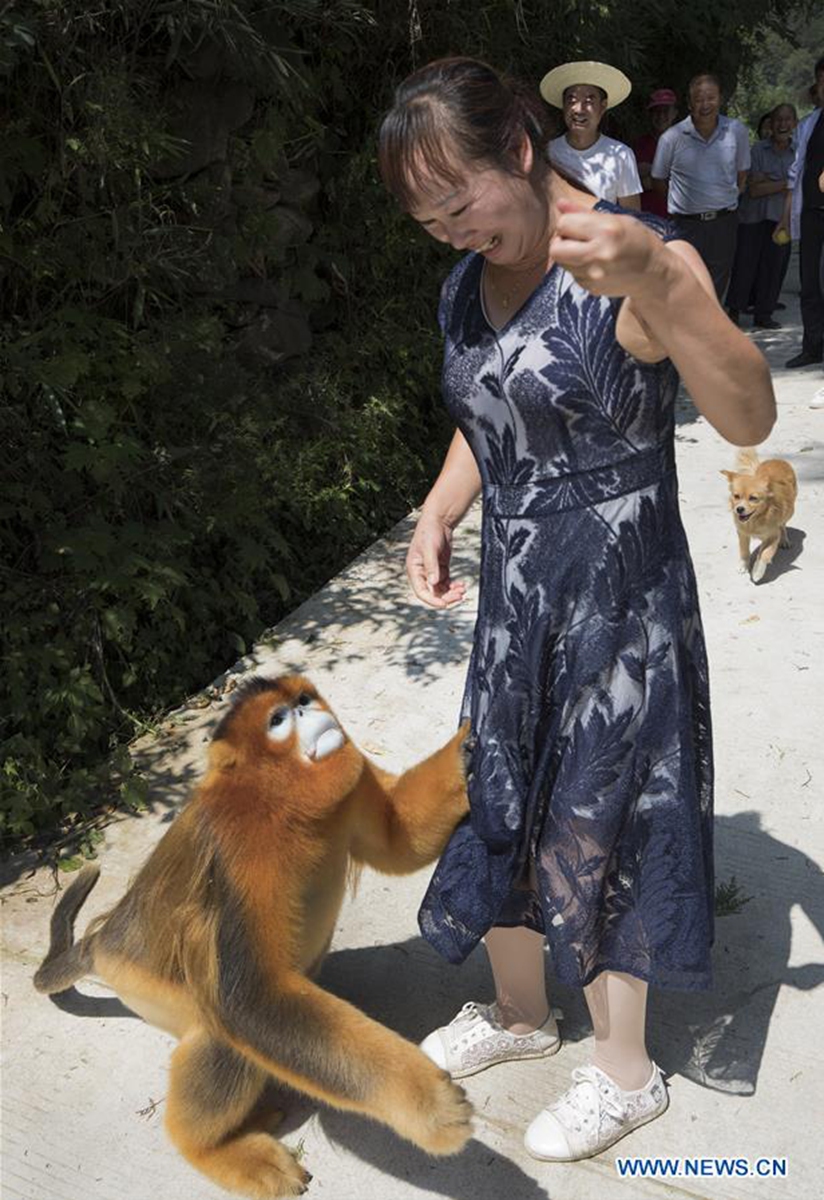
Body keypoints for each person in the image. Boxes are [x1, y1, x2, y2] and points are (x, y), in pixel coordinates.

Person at [378, 57, 774, 1163]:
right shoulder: (467, 282)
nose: (449, 233)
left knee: (604, 816)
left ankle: (623, 1074)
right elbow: (491, 400)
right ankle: (517, 1016)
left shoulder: (618, 260)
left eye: (457, 205)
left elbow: (743, 411)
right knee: (501, 791)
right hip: (515, 599)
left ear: (518, 150)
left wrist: (662, 277)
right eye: (425, 221)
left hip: (619, 600)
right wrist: (436, 509)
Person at [651, 73, 751, 298]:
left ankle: (708, 331)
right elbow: (658, 179)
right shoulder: (672, 137)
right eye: (698, 99)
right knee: (683, 284)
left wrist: (724, 197)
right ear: (689, 103)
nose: (705, 104)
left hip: (724, 223)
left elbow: (742, 173)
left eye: (711, 98)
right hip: (686, 225)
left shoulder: (737, 131)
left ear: (720, 99)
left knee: (716, 288)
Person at [725, 103, 797, 328]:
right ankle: (734, 310)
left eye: (787, 120)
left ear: (794, 124)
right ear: (771, 124)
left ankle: (764, 314)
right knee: (745, 264)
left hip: (781, 218)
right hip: (753, 217)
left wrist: (769, 180)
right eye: (778, 120)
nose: (782, 124)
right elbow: (754, 189)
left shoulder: (798, 153)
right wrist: (786, 182)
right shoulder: (757, 150)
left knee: (774, 267)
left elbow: (796, 188)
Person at [540, 60, 642, 208]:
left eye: (589, 101)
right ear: (563, 106)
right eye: (572, 100)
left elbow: (633, 217)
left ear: (602, 107)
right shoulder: (548, 153)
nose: (579, 109)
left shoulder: (621, 155)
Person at [778, 57, 824, 370]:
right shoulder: (810, 123)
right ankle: (813, 346)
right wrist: (785, 217)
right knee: (809, 283)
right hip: (811, 213)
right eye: (822, 79)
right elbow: (795, 174)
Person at [632, 88, 679, 218]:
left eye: (666, 111)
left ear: (674, 113)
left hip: (676, 219)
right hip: (645, 217)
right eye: (656, 112)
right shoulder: (640, 144)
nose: (660, 116)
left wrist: (651, 173)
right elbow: (637, 182)